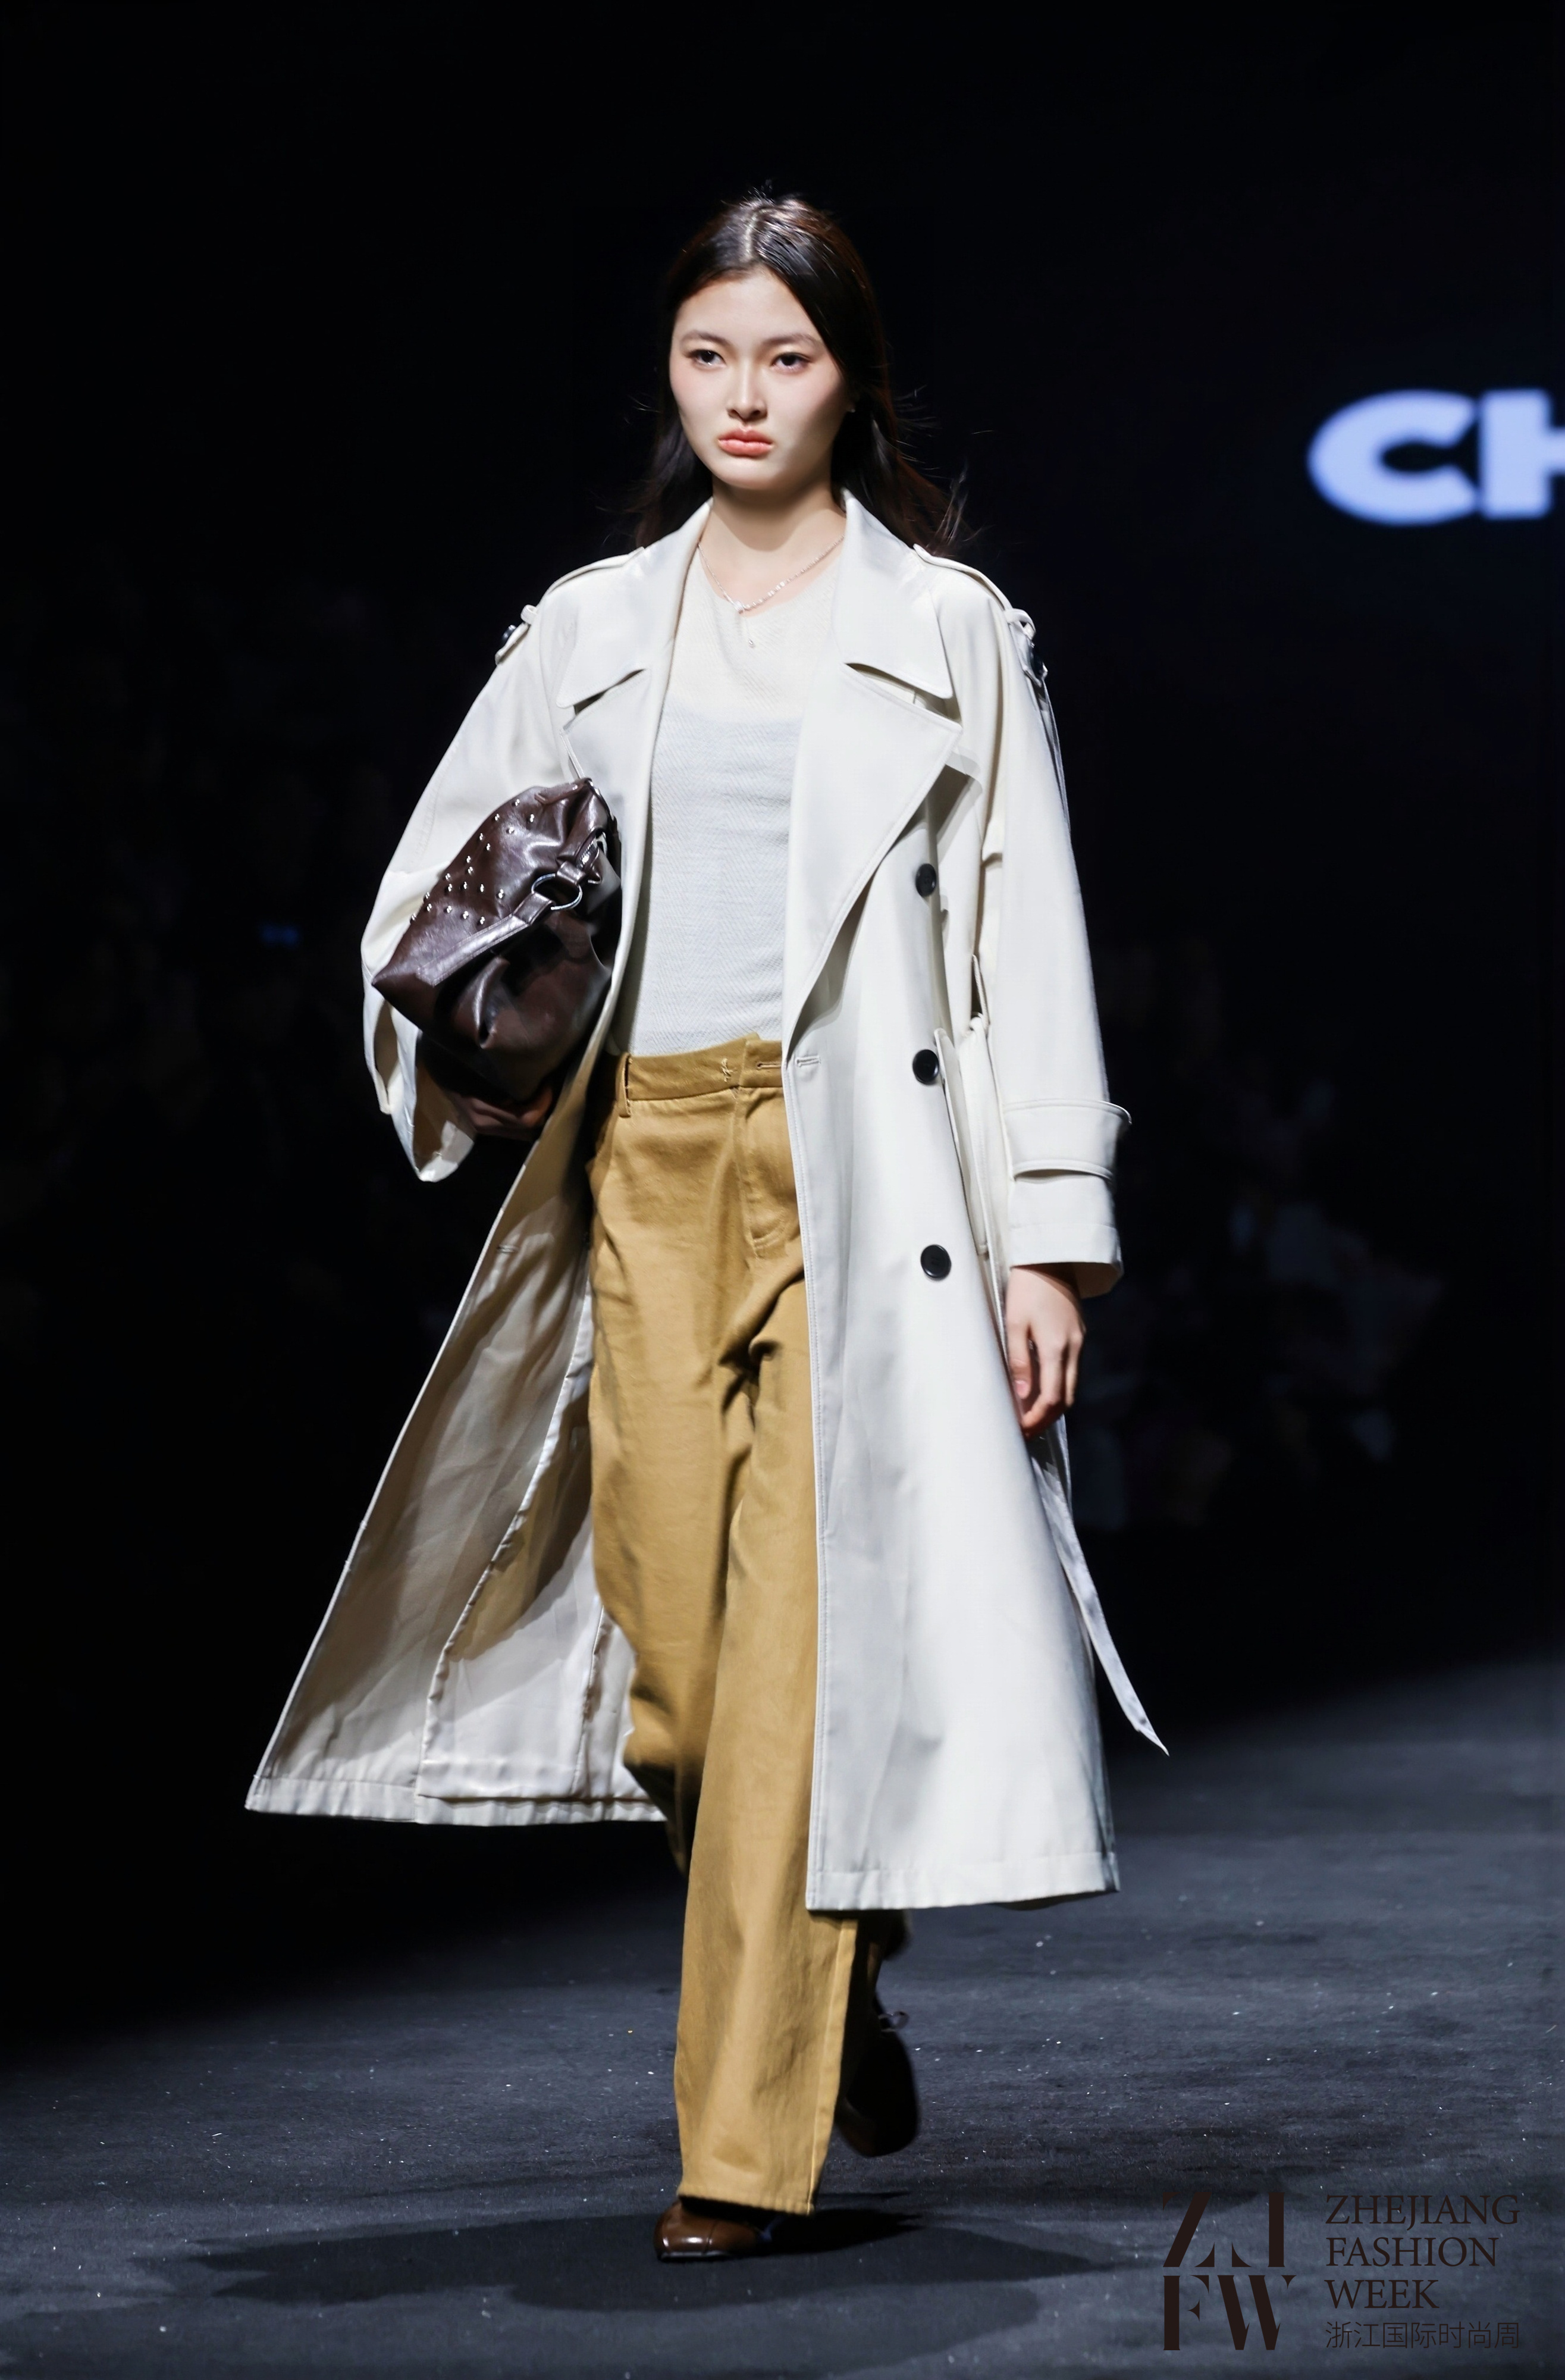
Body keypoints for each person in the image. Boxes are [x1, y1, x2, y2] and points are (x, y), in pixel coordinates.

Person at [247, 193, 1159, 2261]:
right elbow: (422, 907)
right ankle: (843, 1966)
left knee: (802, 1665)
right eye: (708, 357)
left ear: (853, 380)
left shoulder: (950, 630)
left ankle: (743, 2149)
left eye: (789, 359)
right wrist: (475, 1027)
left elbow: (1025, 938)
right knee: (673, 1671)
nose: (745, 397)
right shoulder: (588, 629)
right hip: (644, 1165)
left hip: (868, 1182)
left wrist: (1047, 1238)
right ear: (669, 373)